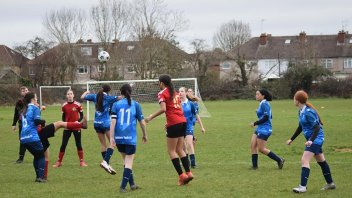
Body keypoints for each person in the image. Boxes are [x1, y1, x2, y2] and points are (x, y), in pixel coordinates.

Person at [145, 74, 194, 186]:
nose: (158, 84)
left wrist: (150, 117)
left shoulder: (162, 93)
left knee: (171, 151)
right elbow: (178, 108)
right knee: (180, 149)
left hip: (174, 123)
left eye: (159, 82)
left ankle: (182, 177)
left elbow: (163, 109)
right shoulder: (176, 93)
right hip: (182, 121)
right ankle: (189, 173)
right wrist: (170, 122)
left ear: (162, 83)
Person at [287, 90, 336, 193]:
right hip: (313, 140)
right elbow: (301, 126)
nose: (293, 100)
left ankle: (302, 187)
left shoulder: (309, 112)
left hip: (316, 139)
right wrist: (291, 139)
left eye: (294, 98)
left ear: (298, 100)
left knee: (304, 160)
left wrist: (311, 141)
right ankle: (330, 183)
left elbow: (317, 127)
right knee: (321, 161)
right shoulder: (301, 111)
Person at [105, 84, 148, 192]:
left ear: (121, 93)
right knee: (128, 162)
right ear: (130, 92)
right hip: (130, 138)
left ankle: (132, 184)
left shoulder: (116, 104)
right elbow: (142, 123)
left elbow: (113, 122)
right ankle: (123, 187)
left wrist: (111, 137)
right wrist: (145, 135)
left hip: (119, 137)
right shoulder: (136, 105)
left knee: (125, 161)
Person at [81, 84, 118, 174]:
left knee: (103, 144)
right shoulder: (109, 98)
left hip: (96, 123)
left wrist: (87, 91)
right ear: (109, 90)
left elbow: (82, 97)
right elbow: (120, 98)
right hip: (105, 124)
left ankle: (106, 164)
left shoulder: (95, 96)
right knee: (113, 143)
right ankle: (105, 162)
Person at [250, 89, 284, 170]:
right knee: (253, 145)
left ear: (263, 96)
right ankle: (254, 167)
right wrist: (258, 112)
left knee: (261, 149)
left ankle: (279, 160)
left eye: (258, 94)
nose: (256, 96)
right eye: (256, 94)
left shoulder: (264, 104)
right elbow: (268, 115)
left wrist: (255, 123)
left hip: (265, 129)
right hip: (260, 128)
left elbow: (266, 117)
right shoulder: (262, 103)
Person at [53, 89, 88, 168]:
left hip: (76, 127)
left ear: (73, 95)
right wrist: (65, 124)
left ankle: (82, 161)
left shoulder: (78, 105)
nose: (69, 95)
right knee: (63, 144)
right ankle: (59, 162)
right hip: (67, 127)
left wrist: (77, 122)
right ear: (66, 96)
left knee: (78, 144)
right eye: (68, 94)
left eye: (71, 94)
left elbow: (81, 116)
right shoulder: (64, 105)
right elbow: (63, 117)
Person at [179, 87, 205, 169]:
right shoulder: (177, 104)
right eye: (179, 91)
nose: (180, 93)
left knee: (189, 144)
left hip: (189, 126)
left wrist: (202, 127)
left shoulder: (191, 104)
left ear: (186, 93)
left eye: (182, 91)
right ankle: (186, 163)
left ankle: (193, 163)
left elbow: (197, 116)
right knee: (183, 147)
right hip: (179, 127)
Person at [12, 86, 29, 163]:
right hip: (22, 123)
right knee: (22, 140)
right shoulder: (19, 102)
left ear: (28, 91)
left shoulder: (32, 100)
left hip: (30, 123)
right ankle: (21, 158)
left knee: (33, 139)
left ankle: (39, 155)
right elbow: (16, 113)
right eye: (23, 91)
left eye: (25, 90)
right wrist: (14, 124)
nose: (24, 92)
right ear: (21, 93)